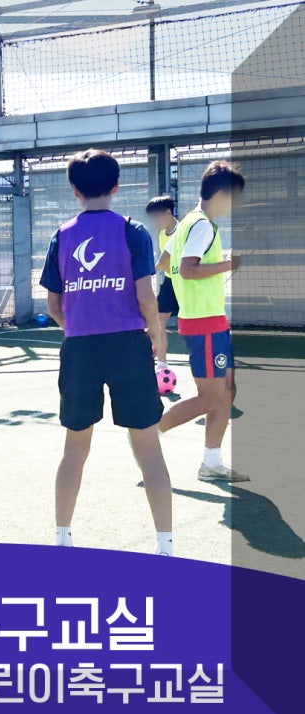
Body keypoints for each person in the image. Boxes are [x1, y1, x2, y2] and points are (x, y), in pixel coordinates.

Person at [40, 149, 173, 556]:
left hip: (80, 348)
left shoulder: (61, 235)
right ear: (116, 186)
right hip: (128, 344)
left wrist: (78, 328)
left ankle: (62, 538)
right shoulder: (133, 231)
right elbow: (146, 296)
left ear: (74, 190)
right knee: (148, 449)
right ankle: (165, 546)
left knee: (74, 449)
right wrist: (156, 335)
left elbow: (53, 305)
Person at [157, 160, 249, 482]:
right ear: (222, 194)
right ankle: (149, 433)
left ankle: (211, 463)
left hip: (210, 320)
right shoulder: (201, 226)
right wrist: (226, 265)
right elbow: (186, 269)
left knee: (226, 390)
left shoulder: (187, 223)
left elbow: (164, 262)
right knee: (210, 396)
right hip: (203, 322)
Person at [145, 195, 179, 368]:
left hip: (187, 284)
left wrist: (146, 272)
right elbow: (165, 264)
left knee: (195, 325)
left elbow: (163, 261)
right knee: (159, 322)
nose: (154, 221)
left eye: (156, 216)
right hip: (170, 282)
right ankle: (162, 365)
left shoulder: (182, 231)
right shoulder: (161, 234)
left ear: (168, 213)